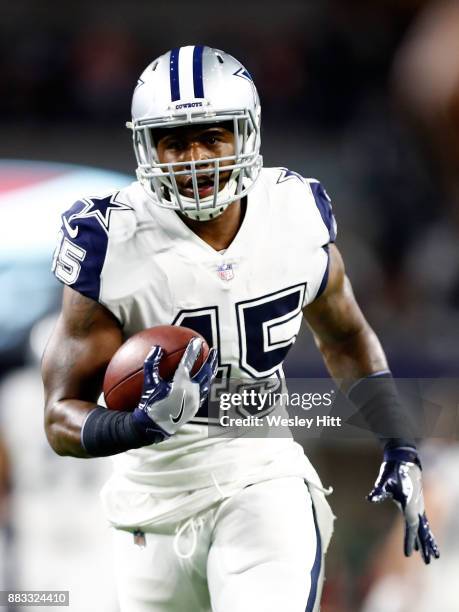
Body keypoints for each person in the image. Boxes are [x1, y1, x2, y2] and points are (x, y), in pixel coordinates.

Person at [42, 45, 439, 612]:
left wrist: (398, 443)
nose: (196, 157)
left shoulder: (294, 212)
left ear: (246, 134)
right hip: (150, 503)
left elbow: (346, 334)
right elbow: (59, 416)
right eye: (174, 141)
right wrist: (133, 425)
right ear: (145, 147)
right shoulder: (109, 240)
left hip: (260, 473)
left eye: (212, 136)